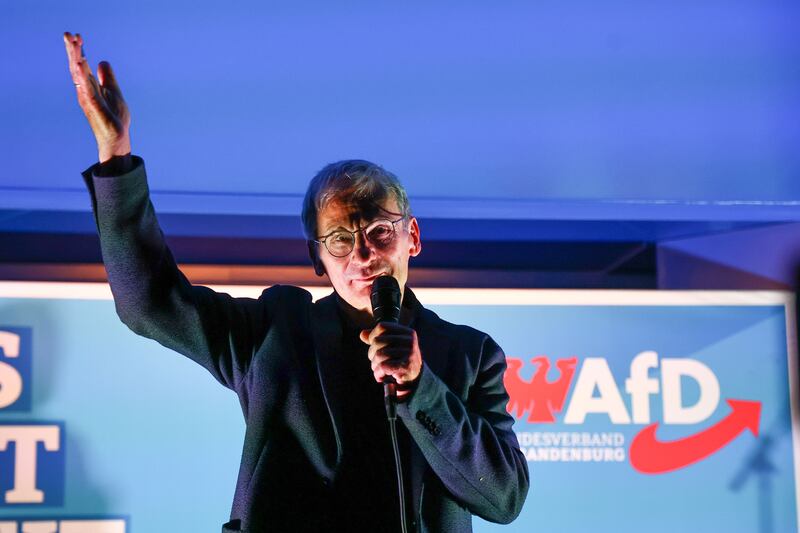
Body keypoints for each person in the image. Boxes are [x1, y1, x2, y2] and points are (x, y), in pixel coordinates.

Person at [63, 32, 529, 532]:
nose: (364, 255)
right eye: (340, 241)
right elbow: (149, 303)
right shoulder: (273, 332)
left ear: (412, 236)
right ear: (316, 260)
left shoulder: (469, 355)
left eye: (378, 232)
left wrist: (420, 386)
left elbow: (503, 498)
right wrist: (116, 157)